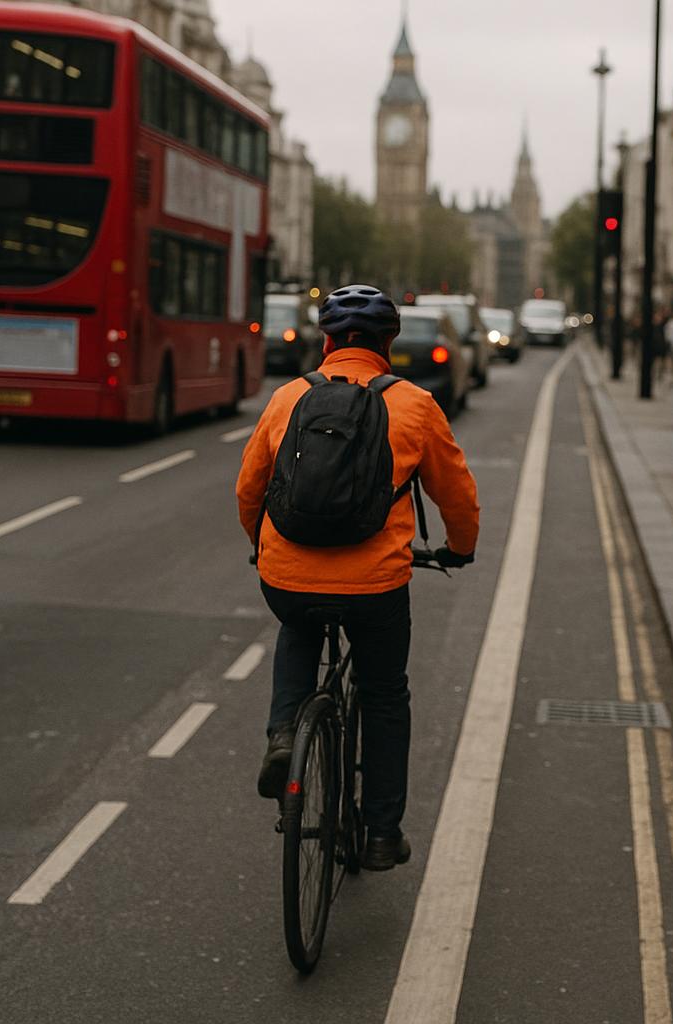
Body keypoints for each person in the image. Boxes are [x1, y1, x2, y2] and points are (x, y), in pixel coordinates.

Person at [235, 284, 479, 871]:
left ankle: (284, 735)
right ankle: (381, 835)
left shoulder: (289, 398)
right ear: (388, 343)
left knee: (297, 625)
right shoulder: (415, 404)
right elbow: (457, 495)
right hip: (376, 586)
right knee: (385, 694)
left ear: (326, 342)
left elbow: (249, 489)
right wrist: (458, 550)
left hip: (289, 574)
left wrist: (260, 547)